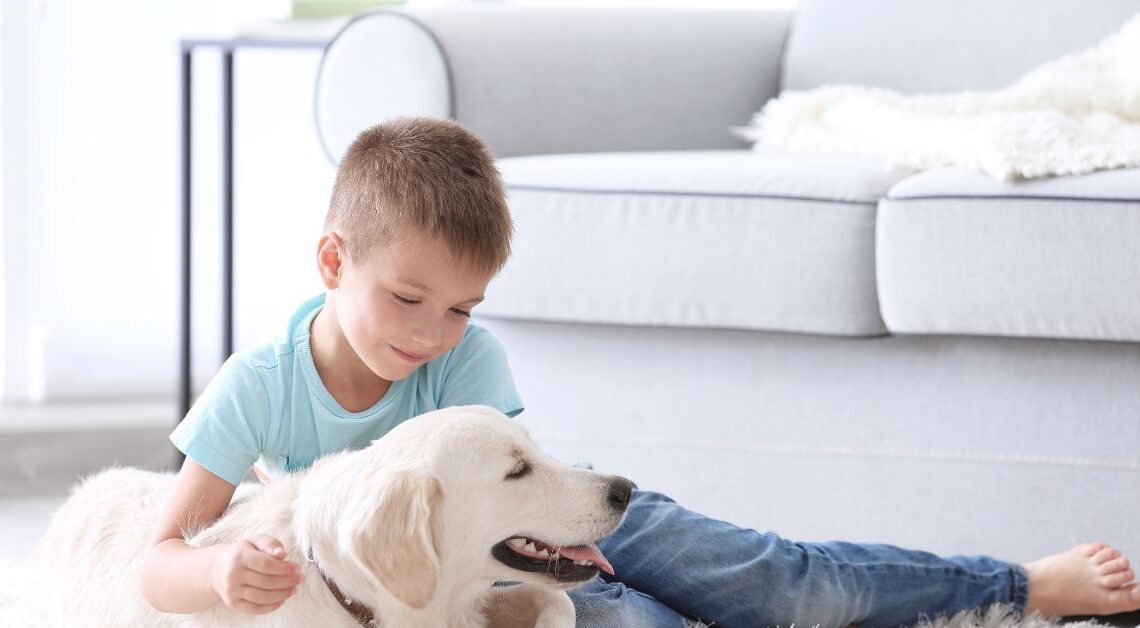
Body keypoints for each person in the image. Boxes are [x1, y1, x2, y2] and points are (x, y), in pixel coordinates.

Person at [140, 116, 1140, 627]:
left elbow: (525, 494)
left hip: (573, 525)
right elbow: (159, 556)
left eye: (461, 310)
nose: (432, 336)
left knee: (781, 582)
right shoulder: (260, 383)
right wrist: (222, 568)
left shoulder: (467, 361)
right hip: (491, 578)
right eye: (408, 300)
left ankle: (1020, 582)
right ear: (332, 263)